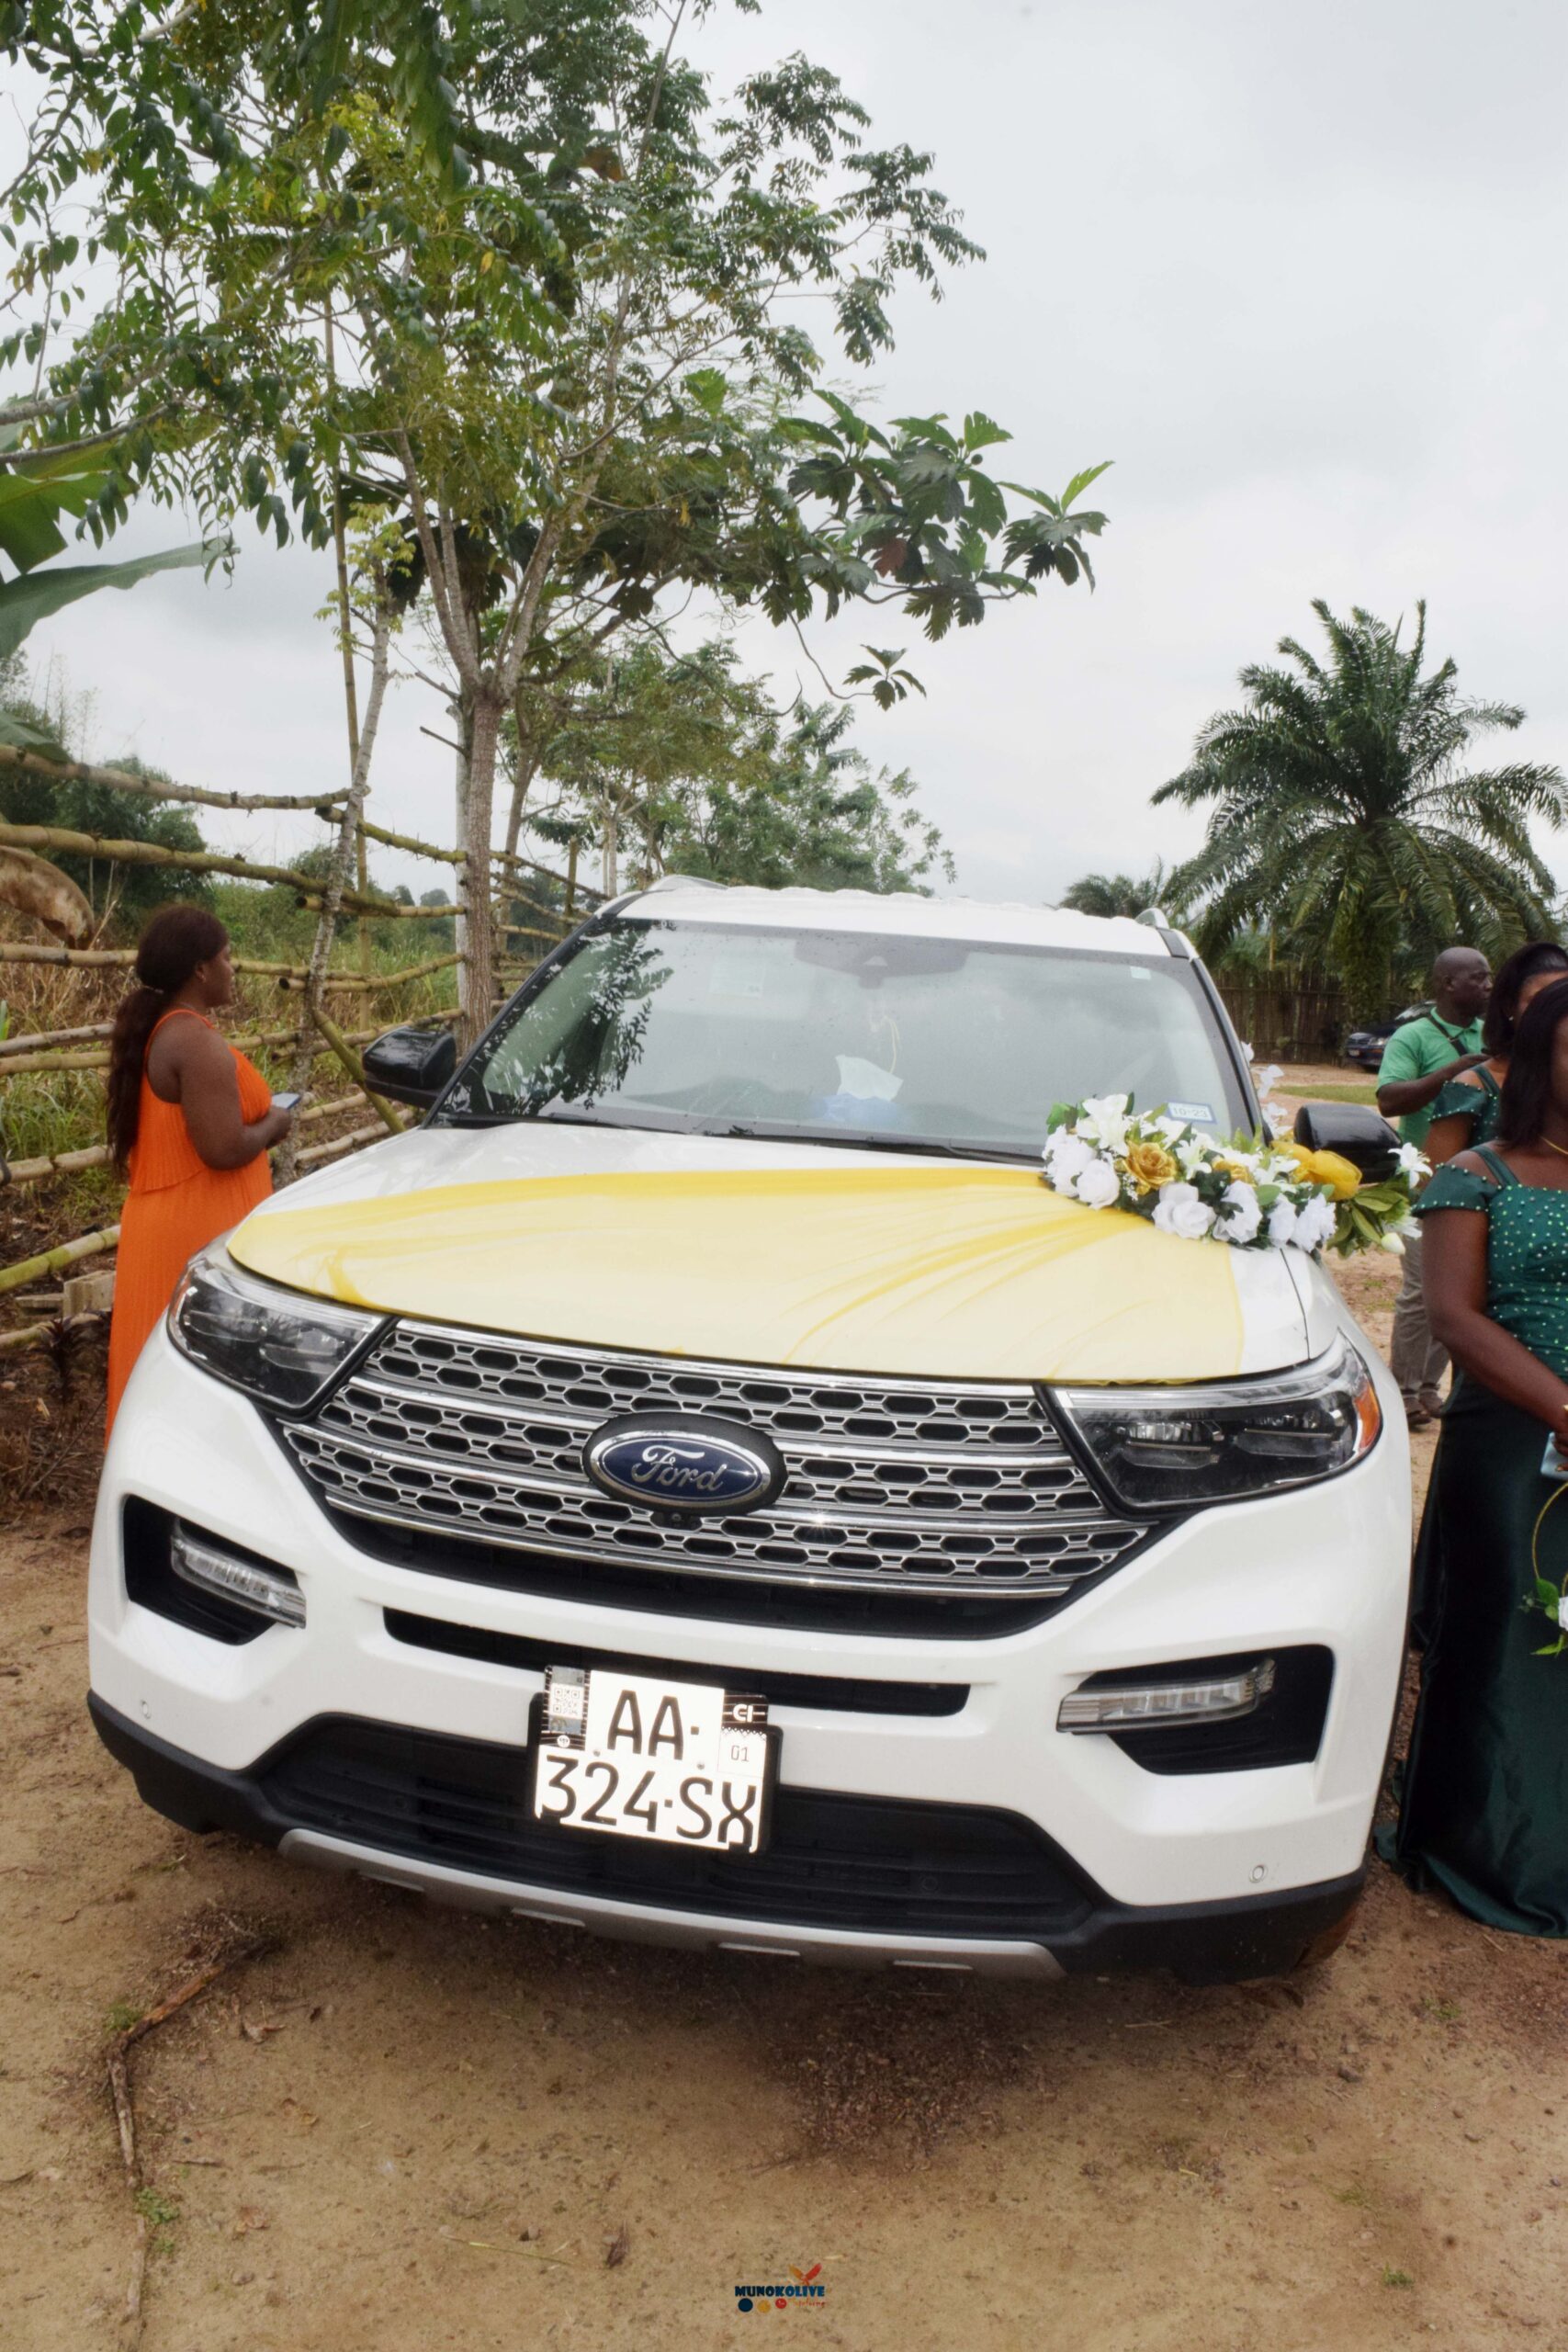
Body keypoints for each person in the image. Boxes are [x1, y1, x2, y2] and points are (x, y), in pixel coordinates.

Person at [1381, 975, 1568, 1935]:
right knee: (1512, 1632)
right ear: (1539, 1059)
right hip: (1511, 1442)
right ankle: (1494, 1842)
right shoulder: (1478, 1174)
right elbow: (1455, 1318)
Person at [104, 907, 293, 1437]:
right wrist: (273, 1124)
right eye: (227, 958)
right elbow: (224, 1149)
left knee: (163, 1377)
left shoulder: (165, 1030)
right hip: (195, 1230)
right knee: (198, 1377)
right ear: (201, 969)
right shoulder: (195, 1041)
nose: (234, 968)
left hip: (165, 1221)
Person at [1374, 947, 1492, 1426]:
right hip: (1422, 1185)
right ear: (1447, 983)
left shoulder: (1492, 1035)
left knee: (1460, 1290)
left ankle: (1428, 1389)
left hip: (1476, 1188)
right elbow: (1388, 1099)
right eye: (1478, 978)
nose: (1488, 986)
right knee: (1422, 1291)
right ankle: (1403, 1390)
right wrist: (1451, 1073)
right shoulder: (1413, 1036)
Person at [1425, 941, 1568, 1167]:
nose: (1554, 1012)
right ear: (1509, 1007)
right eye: (1539, 1001)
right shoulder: (1472, 1086)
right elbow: (1432, 1179)